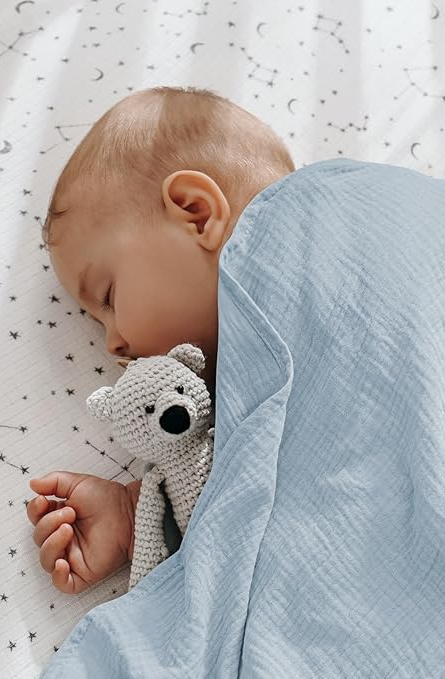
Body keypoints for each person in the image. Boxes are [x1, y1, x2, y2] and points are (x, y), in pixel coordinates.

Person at [25, 85, 296, 594]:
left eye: (108, 297)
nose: (112, 346)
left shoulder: (318, 252)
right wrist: (140, 515)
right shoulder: (232, 396)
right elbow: (255, 499)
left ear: (196, 213)